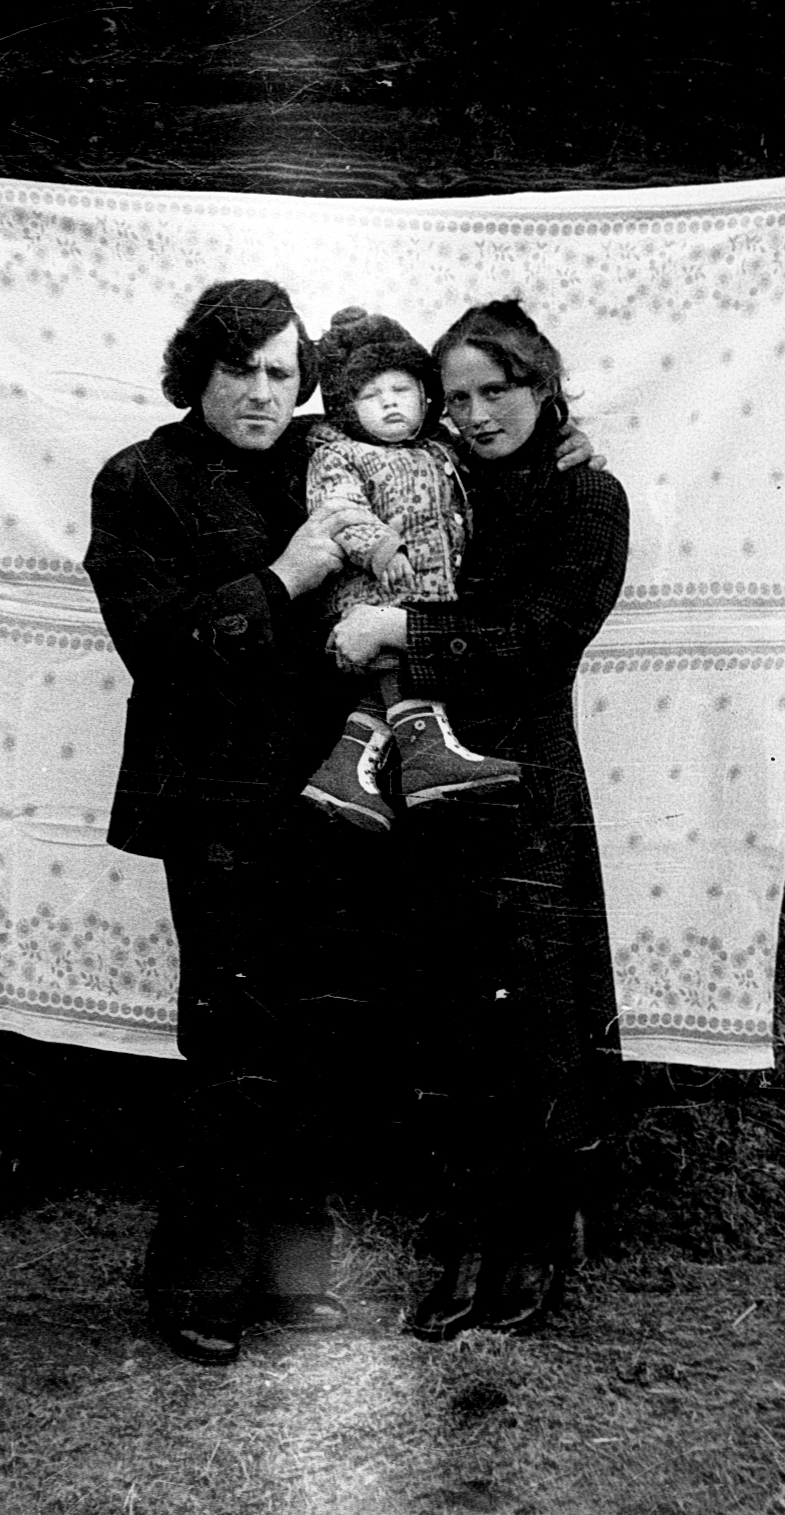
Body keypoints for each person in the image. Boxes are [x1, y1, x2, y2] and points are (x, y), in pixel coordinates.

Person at [82, 278, 375, 1365]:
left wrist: (563, 446)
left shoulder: (328, 459)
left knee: (318, 1030)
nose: (261, 392)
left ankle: (291, 1275)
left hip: (331, 793)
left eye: (280, 372)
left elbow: (439, 444)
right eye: (238, 369)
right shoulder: (140, 480)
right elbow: (156, 649)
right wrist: (285, 578)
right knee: (231, 1035)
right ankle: (199, 1280)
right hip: (214, 800)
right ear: (194, 373)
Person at [328, 298, 631, 1340]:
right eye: (454, 397)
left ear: (540, 386)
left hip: (528, 792)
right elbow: (343, 438)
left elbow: (543, 633)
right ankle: (460, 1239)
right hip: (430, 786)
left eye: (494, 391)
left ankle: (533, 1241)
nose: (473, 414)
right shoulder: (438, 477)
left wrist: (404, 629)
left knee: (533, 1025)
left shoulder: (587, 496)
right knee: (448, 1020)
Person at [298, 307, 522, 831]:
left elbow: (499, 455)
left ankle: (342, 775)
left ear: (425, 398)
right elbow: (340, 510)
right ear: (347, 408)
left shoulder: (442, 449)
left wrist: (564, 435)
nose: (389, 403)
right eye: (370, 395)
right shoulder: (339, 453)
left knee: (387, 687)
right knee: (401, 670)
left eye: (401, 390)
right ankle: (429, 760)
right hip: (373, 594)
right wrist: (379, 548)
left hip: (431, 595)